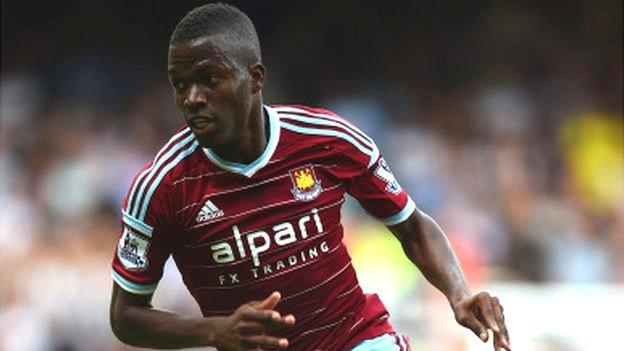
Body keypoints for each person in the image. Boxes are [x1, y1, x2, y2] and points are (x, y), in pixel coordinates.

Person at [109, 3, 511, 350]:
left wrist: (458, 295)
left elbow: (412, 226)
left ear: (255, 78)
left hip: (357, 338)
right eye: (180, 85)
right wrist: (214, 331)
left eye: (209, 80)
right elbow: (126, 315)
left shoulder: (326, 140)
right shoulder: (162, 185)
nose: (191, 98)